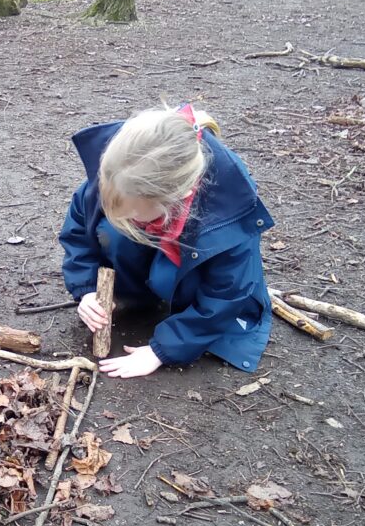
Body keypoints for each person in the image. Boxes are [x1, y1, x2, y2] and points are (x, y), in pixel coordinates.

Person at [60, 103, 274, 378]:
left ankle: (171, 298)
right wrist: (87, 288)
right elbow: (78, 231)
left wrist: (162, 349)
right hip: (155, 239)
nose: (129, 219)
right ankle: (136, 294)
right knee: (112, 231)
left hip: (191, 274)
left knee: (164, 274)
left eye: (136, 215)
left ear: (177, 197)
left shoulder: (226, 211)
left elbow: (227, 293)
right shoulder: (119, 171)